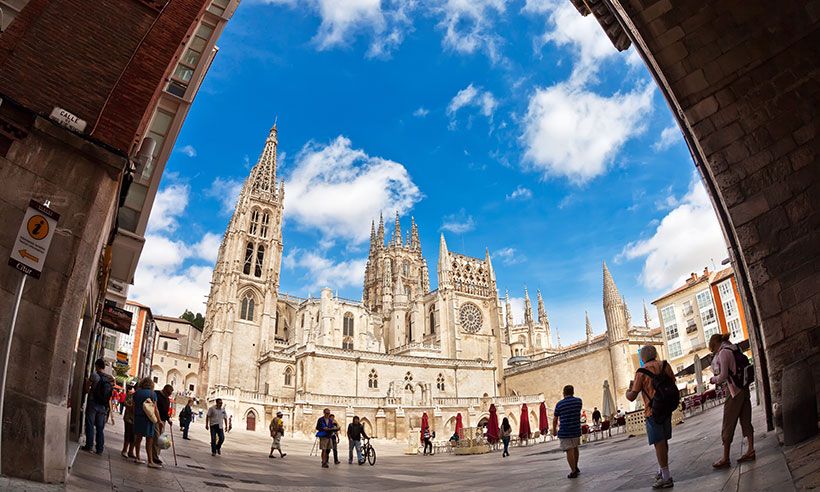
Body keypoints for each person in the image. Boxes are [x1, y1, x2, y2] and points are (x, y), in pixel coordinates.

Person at [626, 345, 676, 489]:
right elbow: (672, 382)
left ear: (642, 357)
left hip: (652, 411)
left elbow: (631, 397)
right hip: (667, 408)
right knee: (664, 440)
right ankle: (662, 470)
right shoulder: (665, 365)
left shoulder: (641, 372)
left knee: (658, 442)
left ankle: (666, 477)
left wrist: (628, 390)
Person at [709, 333, 755, 468]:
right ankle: (751, 449)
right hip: (744, 387)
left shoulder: (723, 353)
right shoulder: (734, 348)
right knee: (746, 418)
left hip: (734, 390)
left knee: (728, 422)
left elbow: (723, 375)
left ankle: (725, 457)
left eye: (713, 349)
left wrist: (714, 380)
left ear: (715, 344)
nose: (714, 352)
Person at [81, 358, 114, 454]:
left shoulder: (94, 375)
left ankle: (89, 446)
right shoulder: (109, 378)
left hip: (93, 403)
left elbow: (86, 389)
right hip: (103, 406)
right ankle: (99, 449)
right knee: (100, 428)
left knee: (90, 424)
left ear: (96, 366)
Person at [552, 385, 582, 479]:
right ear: (573, 392)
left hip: (565, 431)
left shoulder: (560, 404)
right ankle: (576, 466)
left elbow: (555, 419)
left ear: (564, 393)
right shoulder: (578, 401)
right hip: (576, 429)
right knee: (575, 448)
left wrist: (554, 430)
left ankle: (573, 471)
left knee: (569, 450)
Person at [133, 377, 161, 468]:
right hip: (148, 419)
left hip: (138, 417)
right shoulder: (153, 394)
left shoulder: (137, 393)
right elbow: (155, 409)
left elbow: (133, 406)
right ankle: (150, 460)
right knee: (149, 440)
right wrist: (159, 420)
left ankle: (137, 457)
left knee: (138, 438)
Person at [152, 384, 173, 464]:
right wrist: (159, 420)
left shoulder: (167, 399)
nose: (168, 395)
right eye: (168, 393)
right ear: (164, 389)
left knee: (160, 439)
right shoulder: (156, 394)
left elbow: (165, 411)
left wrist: (168, 419)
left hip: (163, 421)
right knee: (156, 438)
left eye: (169, 394)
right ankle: (155, 456)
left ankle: (156, 454)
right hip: (156, 420)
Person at [120, 384, 136, 459]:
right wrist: (131, 406)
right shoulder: (130, 395)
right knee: (128, 434)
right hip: (129, 418)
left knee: (134, 436)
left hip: (136, 419)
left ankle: (131, 451)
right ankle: (125, 450)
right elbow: (126, 403)